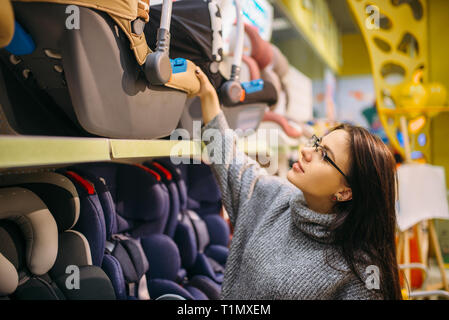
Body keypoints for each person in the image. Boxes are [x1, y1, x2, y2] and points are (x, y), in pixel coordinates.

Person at [194, 67, 402, 300]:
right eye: (316, 143)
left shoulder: (363, 271)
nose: (305, 151)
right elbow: (231, 162)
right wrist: (207, 94)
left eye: (324, 156)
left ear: (345, 192)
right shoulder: (277, 198)